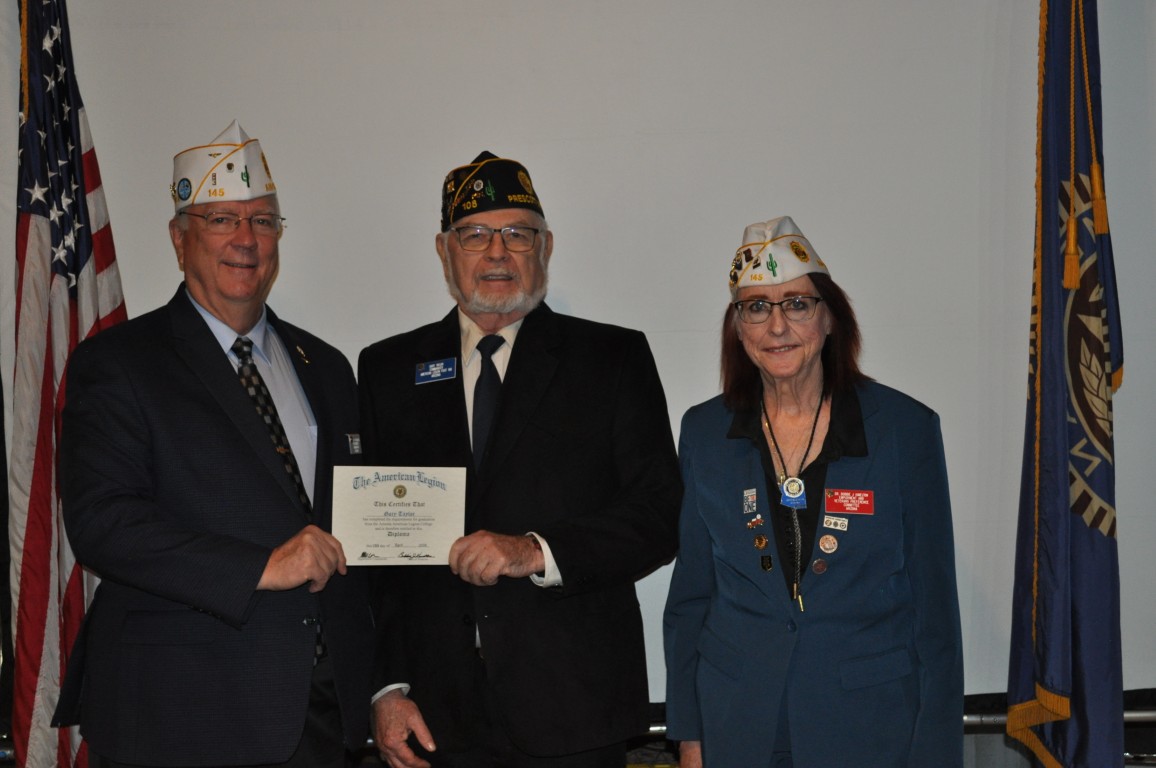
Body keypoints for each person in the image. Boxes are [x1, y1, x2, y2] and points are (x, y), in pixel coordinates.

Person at [51, 120, 374, 768]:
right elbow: (102, 524)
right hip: (180, 716)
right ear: (180, 239)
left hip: (318, 716)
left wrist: (383, 683)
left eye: (263, 221)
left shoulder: (327, 367)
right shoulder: (118, 363)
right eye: (222, 219)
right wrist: (262, 567)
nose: (246, 240)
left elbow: (355, 527)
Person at [358, 151, 681, 768]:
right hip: (435, 717)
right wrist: (387, 687)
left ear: (546, 247)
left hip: (575, 710)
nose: (497, 253)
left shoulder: (611, 359)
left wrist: (536, 551)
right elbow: (378, 556)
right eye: (475, 235)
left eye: (518, 234)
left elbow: (659, 514)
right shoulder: (387, 370)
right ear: (444, 250)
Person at [663, 216, 963, 768]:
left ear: (829, 319)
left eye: (797, 304)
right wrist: (689, 735)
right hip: (738, 724)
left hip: (868, 727)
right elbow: (691, 597)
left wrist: (936, 754)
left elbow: (935, 613)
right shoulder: (704, 432)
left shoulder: (904, 429)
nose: (777, 326)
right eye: (757, 307)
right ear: (738, 328)